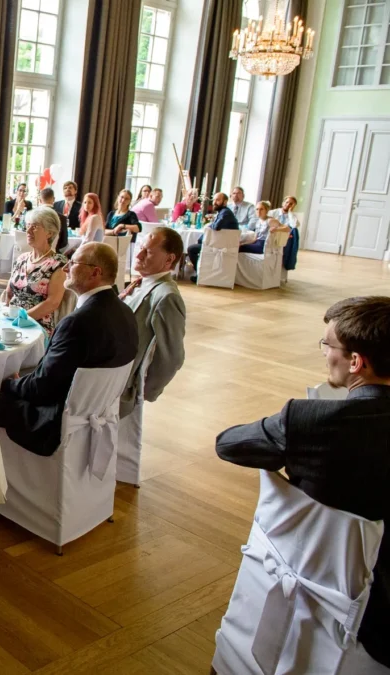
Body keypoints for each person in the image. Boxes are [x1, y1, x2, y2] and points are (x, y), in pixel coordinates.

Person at [215, 296, 390, 671]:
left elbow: (228, 444)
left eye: (329, 345)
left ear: (357, 362)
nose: (325, 353)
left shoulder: (314, 422)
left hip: (314, 593)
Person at [0, 243, 138, 455]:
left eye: (74, 263)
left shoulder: (78, 322)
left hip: (52, 421)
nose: (66, 267)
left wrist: (9, 384)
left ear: (95, 272)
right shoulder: (125, 312)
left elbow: (42, 387)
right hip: (91, 412)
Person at [118, 227, 186, 418]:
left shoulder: (167, 296)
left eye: (148, 251)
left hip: (122, 384)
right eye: (140, 247)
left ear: (169, 259)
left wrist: (142, 392)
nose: (138, 255)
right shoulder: (141, 282)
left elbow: (172, 356)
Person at [3, 207, 68, 336]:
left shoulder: (58, 264)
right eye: (27, 226)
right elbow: (8, 293)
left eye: (35, 227)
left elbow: (52, 303)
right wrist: (4, 314)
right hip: (11, 321)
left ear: (49, 233)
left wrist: (21, 319)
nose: (28, 230)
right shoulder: (22, 259)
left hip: (36, 326)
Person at [187, 192, 239, 280]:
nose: (214, 202)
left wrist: (209, 225)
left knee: (191, 249)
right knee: (196, 246)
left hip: (220, 246)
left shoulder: (225, 213)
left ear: (225, 202)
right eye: (214, 200)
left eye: (218, 200)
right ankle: (201, 273)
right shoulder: (223, 212)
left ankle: (200, 275)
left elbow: (216, 227)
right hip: (220, 244)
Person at [39, 187, 68, 252]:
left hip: (36, 253)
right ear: (54, 199)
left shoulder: (33, 215)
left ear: (40, 200)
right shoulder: (62, 218)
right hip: (54, 254)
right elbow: (64, 242)